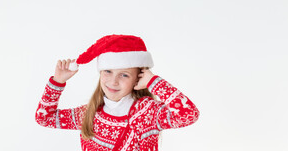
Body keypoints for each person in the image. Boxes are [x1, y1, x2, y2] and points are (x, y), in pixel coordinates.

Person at [35, 34, 200, 151]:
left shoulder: (147, 112)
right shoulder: (90, 113)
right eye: (107, 71)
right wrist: (58, 82)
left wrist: (154, 82)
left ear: (139, 78)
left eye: (124, 75)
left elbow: (189, 114)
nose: (113, 81)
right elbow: (44, 118)